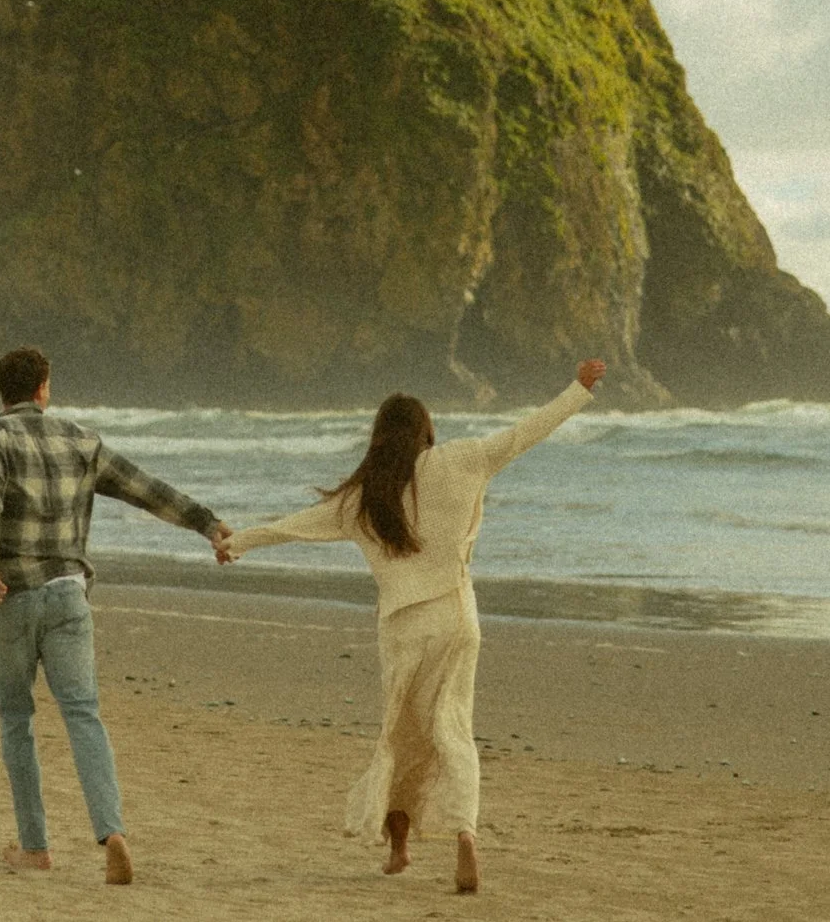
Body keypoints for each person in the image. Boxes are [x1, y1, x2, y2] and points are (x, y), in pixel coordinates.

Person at [218, 359, 606, 892]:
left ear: (378, 438)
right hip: (457, 619)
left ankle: (399, 849)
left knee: (401, 733)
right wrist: (577, 390)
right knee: (453, 729)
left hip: (403, 630)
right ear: (427, 430)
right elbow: (526, 433)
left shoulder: (364, 496)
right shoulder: (461, 460)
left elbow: (295, 528)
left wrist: (237, 543)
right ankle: (465, 836)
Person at [0, 345, 232, 885]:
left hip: (9, 596)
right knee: (83, 714)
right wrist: (208, 524)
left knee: (16, 718)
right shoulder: (80, 440)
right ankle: (112, 833)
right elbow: (145, 489)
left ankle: (36, 848)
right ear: (43, 388)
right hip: (69, 596)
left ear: (1, 392)